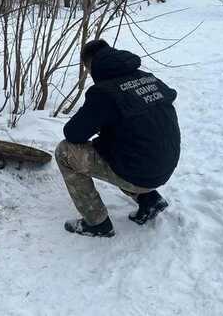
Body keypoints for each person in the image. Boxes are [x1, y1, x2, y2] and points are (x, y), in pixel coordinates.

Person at [56, 39, 181, 237]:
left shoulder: (104, 93)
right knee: (129, 147)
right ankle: (150, 200)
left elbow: (72, 133)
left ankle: (97, 223)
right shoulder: (148, 78)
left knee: (65, 152)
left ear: (90, 65)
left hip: (140, 173)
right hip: (166, 165)